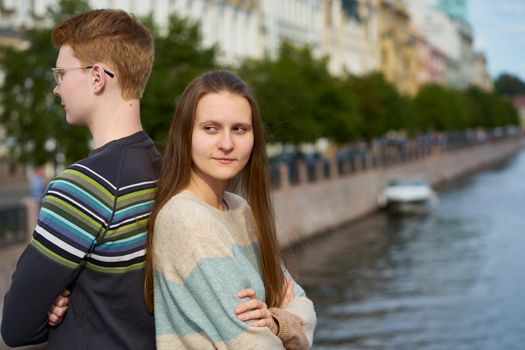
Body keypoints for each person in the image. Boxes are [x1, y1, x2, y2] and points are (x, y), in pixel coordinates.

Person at [1, 9, 159, 349]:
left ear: (97, 77)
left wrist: (62, 305)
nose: (57, 89)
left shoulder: (84, 188)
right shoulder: (164, 169)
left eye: (61, 73)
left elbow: (15, 326)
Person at [144, 70, 317, 349]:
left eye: (239, 129)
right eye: (210, 128)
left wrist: (275, 322)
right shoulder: (186, 218)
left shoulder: (240, 209)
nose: (226, 144)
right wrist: (289, 326)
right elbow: (254, 344)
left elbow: (303, 306)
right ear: (185, 134)